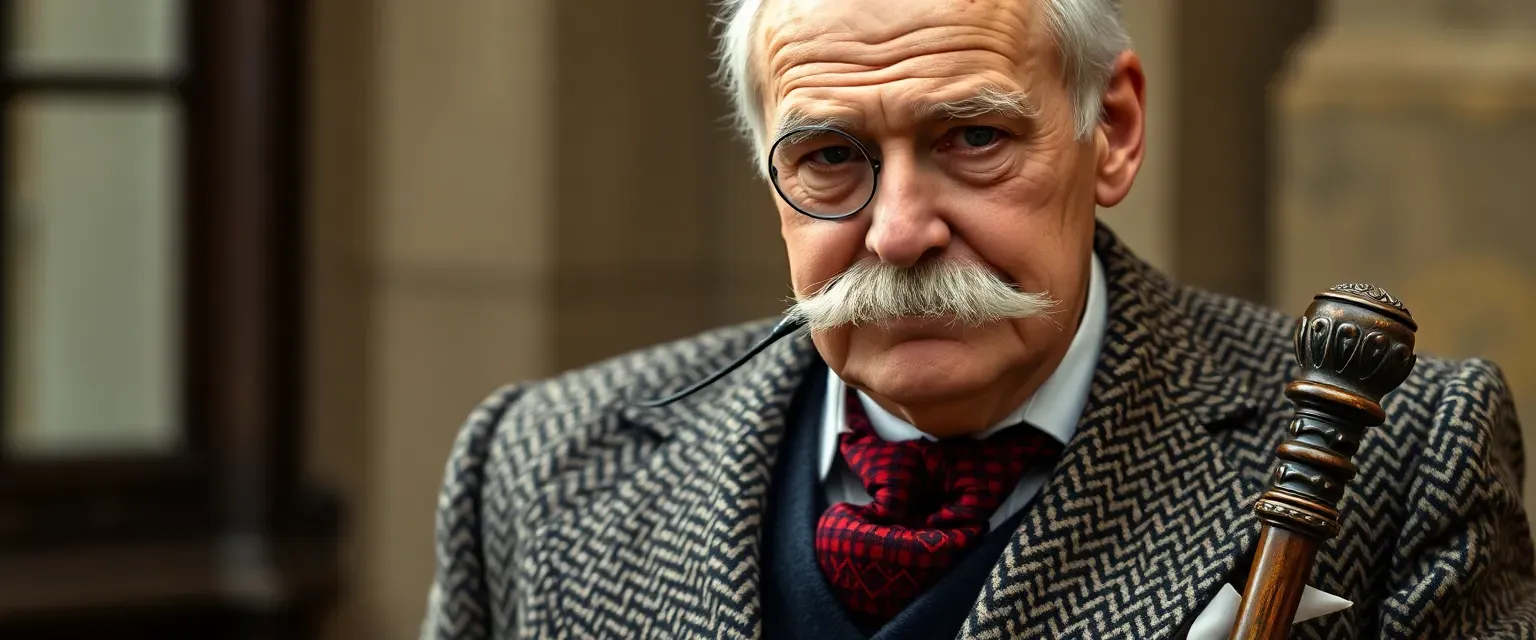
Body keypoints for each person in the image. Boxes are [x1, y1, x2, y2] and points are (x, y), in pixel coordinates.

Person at [420, 0, 1536, 638]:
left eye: (972, 139)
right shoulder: (537, 469)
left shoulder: (1403, 459)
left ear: (1114, 131)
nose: (899, 229)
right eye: (828, 158)